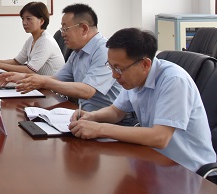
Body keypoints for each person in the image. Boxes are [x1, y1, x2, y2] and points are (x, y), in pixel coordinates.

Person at [69, 28, 216, 172]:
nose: (114, 75)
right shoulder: (134, 78)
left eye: (119, 69)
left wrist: (100, 129)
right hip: (155, 160)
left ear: (145, 64)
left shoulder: (174, 80)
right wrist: (92, 117)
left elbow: (160, 137)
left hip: (189, 171)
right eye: (111, 67)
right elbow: (116, 111)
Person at [0, 3, 124, 114]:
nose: (62, 34)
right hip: (85, 114)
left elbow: (87, 91)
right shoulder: (77, 52)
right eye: (62, 29)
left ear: (84, 29)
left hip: (110, 120)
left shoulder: (104, 51)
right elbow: (56, 78)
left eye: (65, 28)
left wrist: (43, 82)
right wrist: (23, 77)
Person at [0, 1, 64, 75]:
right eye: (23, 19)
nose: (24, 23)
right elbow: (16, 62)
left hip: (52, 87)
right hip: (38, 83)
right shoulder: (31, 39)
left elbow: (29, 70)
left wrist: (0, 65)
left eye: (28, 19)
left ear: (41, 21)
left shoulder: (46, 41)